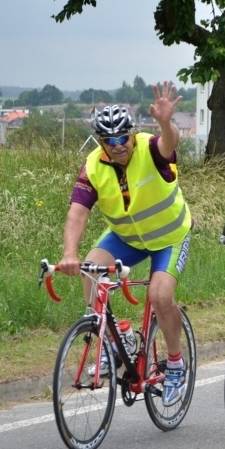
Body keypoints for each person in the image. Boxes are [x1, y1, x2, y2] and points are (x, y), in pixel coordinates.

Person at [58, 83, 191, 407]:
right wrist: (70, 254)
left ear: (132, 134)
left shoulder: (150, 147)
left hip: (169, 236)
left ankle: (175, 364)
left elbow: (170, 142)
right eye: (109, 141)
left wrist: (164, 122)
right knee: (90, 269)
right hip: (127, 237)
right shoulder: (92, 167)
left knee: (159, 295)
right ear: (101, 142)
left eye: (123, 139)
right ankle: (117, 341)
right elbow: (77, 214)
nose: (118, 147)